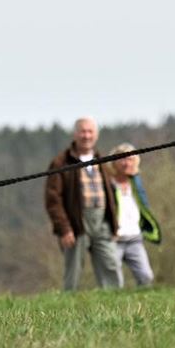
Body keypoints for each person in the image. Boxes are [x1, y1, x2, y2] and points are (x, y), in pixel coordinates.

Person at [44, 117, 122, 290]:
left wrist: (114, 224)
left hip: (102, 221)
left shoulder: (101, 160)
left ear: (96, 135)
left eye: (90, 132)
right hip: (76, 222)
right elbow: (53, 199)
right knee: (74, 269)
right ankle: (66, 306)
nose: (86, 136)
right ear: (75, 134)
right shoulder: (61, 162)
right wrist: (64, 228)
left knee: (111, 264)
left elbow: (112, 194)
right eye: (83, 131)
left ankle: (115, 303)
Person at [106, 143, 162, 287]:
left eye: (130, 159)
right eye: (122, 159)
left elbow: (143, 207)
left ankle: (142, 304)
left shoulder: (136, 183)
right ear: (114, 162)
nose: (126, 163)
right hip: (114, 238)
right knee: (113, 281)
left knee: (146, 276)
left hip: (135, 238)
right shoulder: (108, 183)